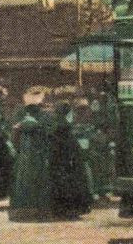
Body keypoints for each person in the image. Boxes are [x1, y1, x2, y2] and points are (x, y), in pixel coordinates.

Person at [7, 88, 55, 221]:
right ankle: (40, 212)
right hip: (38, 154)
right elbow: (48, 135)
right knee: (39, 182)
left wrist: (18, 149)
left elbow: (14, 136)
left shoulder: (19, 116)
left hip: (25, 154)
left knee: (23, 182)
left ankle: (23, 212)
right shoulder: (45, 116)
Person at [49, 100, 92, 219]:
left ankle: (61, 210)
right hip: (67, 156)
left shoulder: (57, 123)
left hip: (59, 157)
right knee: (70, 182)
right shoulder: (64, 124)